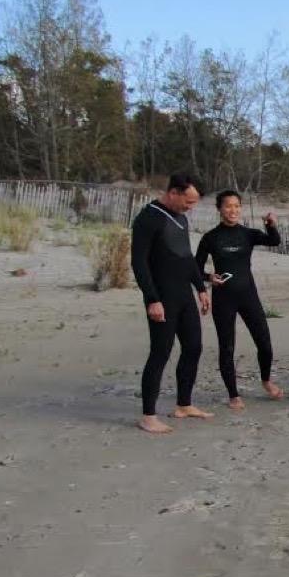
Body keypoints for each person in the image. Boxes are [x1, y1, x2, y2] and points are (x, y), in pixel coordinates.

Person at [130, 172, 212, 433]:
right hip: (162, 297)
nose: (191, 207)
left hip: (184, 295)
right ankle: (148, 416)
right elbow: (139, 263)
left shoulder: (180, 218)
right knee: (160, 352)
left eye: (194, 202)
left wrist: (201, 288)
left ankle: (184, 405)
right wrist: (152, 299)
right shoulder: (148, 218)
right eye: (188, 201)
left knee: (194, 347)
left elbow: (186, 257)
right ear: (173, 192)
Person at [195, 190, 284, 410]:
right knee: (227, 347)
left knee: (265, 344)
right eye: (228, 206)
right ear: (219, 209)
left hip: (248, 296)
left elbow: (274, 241)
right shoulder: (211, 237)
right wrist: (209, 278)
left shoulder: (248, 234)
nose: (233, 210)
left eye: (236, 206)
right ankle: (233, 395)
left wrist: (271, 225)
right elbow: (195, 268)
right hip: (224, 298)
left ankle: (266, 380)